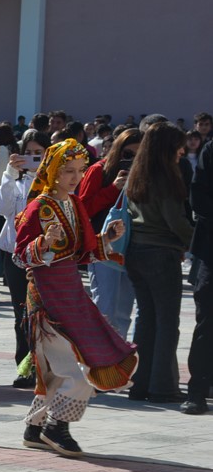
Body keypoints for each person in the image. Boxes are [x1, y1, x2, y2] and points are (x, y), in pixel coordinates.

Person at [14, 139, 138, 456]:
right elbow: (19, 256)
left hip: (72, 294)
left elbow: (82, 252)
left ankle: (34, 427)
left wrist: (107, 238)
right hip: (46, 300)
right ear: (53, 169)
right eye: (68, 171)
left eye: (80, 171)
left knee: (57, 370)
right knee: (76, 371)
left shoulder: (73, 204)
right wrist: (42, 243)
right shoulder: (38, 208)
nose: (75, 177)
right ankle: (57, 427)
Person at [125, 123, 195, 405]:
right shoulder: (166, 177)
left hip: (136, 252)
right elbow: (175, 221)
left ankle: (140, 383)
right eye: (179, 146)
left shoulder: (137, 174)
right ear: (167, 147)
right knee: (167, 322)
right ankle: (164, 387)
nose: (182, 151)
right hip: (161, 253)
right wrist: (197, 243)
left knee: (146, 319)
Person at [0, 131, 47, 388]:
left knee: (45, 315)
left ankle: (46, 367)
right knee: (21, 314)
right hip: (17, 258)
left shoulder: (55, 183)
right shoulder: (16, 182)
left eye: (40, 153)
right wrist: (10, 175)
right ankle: (25, 367)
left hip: (46, 259)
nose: (34, 158)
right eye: (29, 153)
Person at [80, 127, 141, 337]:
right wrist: (113, 189)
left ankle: (118, 362)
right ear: (118, 150)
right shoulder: (100, 170)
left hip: (132, 249)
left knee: (124, 313)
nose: (133, 158)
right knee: (105, 309)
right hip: (103, 248)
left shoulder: (146, 174)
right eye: (128, 154)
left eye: (138, 154)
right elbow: (84, 208)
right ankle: (98, 362)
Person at [189, 122, 213, 415]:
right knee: (207, 321)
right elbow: (199, 195)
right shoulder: (210, 151)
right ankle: (197, 390)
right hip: (211, 252)